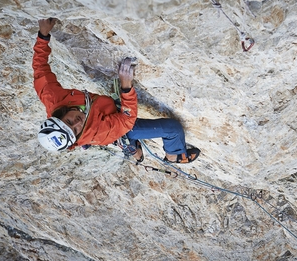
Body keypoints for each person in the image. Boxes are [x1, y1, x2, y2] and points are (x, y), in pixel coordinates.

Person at [34, 18, 200, 164]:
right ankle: (175, 156)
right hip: (116, 126)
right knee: (172, 129)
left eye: (69, 122)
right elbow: (127, 120)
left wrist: (43, 35)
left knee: (121, 133)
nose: (78, 121)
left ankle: (132, 147)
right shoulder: (98, 130)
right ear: (77, 136)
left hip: (107, 116)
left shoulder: (53, 99)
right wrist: (126, 88)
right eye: (76, 129)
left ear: (59, 115)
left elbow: (40, 69)